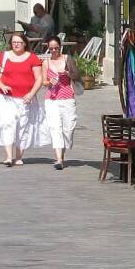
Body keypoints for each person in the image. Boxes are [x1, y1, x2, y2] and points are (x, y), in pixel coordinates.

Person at [0, 32, 46, 166]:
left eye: (19, 42)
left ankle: (19, 156)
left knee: (22, 125)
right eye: (14, 42)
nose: (16, 45)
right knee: (8, 123)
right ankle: (8, 156)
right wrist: (1, 85)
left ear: (25, 43)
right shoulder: (4, 56)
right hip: (5, 97)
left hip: (25, 98)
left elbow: (39, 79)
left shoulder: (32, 58)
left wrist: (31, 94)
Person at [43, 36, 79, 170]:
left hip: (68, 97)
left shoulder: (67, 59)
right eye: (51, 48)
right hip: (51, 99)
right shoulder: (46, 63)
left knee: (68, 129)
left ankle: (62, 154)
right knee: (55, 128)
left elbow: (77, 75)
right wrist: (49, 82)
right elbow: (43, 82)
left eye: (56, 48)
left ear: (60, 47)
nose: (53, 51)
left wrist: (68, 73)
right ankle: (59, 159)